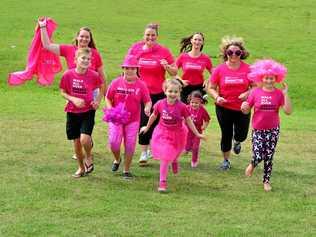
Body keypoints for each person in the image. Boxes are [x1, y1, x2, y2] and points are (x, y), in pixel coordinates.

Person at [38, 17, 106, 167]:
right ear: (77, 37)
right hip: (73, 90)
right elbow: (47, 45)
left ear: (90, 39)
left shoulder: (94, 53)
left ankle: (86, 143)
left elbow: (102, 77)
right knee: (75, 119)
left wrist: (100, 99)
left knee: (86, 119)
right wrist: (43, 27)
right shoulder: (68, 49)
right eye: (81, 36)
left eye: (87, 37)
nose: (84, 39)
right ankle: (81, 145)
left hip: (90, 91)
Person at [140, 79, 205, 192]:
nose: (173, 94)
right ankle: (162, 182)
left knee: (175, 151)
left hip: (178, 133)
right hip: (162, 132)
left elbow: (188, 120)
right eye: (170, 91)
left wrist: (197, 133)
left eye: (175, 92)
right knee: (165, 156)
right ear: (165, 91)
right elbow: (153, 116)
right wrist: (147, 127)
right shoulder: (160, 104)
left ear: (179, 92)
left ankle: (174, 160)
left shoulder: (182, 107)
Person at [127, 23, 177, 165]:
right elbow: (126, 66)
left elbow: (174, 72)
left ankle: (151, 147)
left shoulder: (163, 51)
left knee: (155, 123)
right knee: (143, 120)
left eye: (153, 35)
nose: (150, 37)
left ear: (157, 36)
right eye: (147, 35)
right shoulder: (136, 48)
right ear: (144, 35)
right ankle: (144, 152)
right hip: (140, 92)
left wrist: (167, 67)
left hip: (158, 93)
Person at [241, 59, 292, 192]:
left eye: (272, 78)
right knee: (258, 154)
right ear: (261, 78)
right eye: (267, 78)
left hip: (273, 129)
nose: (269, 81)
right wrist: (244, 107)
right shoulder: (255, 92)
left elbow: (288, 111)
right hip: (258, 129)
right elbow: (246, 110)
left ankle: (266, 181)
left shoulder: (279, 94)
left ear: (276, 78)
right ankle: (253, 164)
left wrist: (285, 94)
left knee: (269, 156)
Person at [208, 35, 253, 170]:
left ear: (241, 54)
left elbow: (256, 86)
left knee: (242, 134)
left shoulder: (248, 69)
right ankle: (226, 160)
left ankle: (238, 141)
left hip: (243, 108)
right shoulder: (219, 70)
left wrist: (247, 93)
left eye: (237, 52)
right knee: (226, 134)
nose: (233, 55)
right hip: (224, 107)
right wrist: (217, 97)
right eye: (230, 52)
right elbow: (211, 87)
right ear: (225, 53)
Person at [59, 48, 104, 178]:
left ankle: (88, 156)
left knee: (85, 138)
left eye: (88, 59)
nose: (85, 61)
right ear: (76, 60)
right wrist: (73, 99)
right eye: (83, 58)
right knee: (77, 142)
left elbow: (101, 87)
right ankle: (80, 167)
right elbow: (63, 92)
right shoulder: (68, 75)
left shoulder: (94, 75)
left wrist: (97, 101)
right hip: (72, 112)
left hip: (87, 111)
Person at [104, 55, 152, 179]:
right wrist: (110, 109)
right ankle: (117, 159)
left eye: (132, 68)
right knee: (114, 142)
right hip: (116, 118)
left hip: (133, 120)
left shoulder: (141, 85)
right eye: (127, 68)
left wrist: (147, 107)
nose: (130, 70)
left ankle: (126, 170)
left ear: (136, 69)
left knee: (130, 144)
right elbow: (108, 98)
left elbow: (147, 101)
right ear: (123, 68)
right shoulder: (116, 82)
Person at [176, 32, 212, 103]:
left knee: (197, 111)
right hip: (185, 87)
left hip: (199, 88)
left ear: (202, 43)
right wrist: (181, 81)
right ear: (191, 41)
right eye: (195, 39)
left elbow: (214, 73)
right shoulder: (183, 56)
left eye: (199, 40)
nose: (197, 42)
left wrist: (208, 80)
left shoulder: (205, 58)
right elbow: (173, 72)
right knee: (184, 110)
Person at [184, 90, 211, 168]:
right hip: (187, 132)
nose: (194, 104)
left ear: (200, 102)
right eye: (192, 102)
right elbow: (181, 117)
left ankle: (194, 160)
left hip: (197, 132)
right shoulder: (186, 108)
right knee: (187, 148)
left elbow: (207, 120)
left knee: (195, 147)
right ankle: (188, 148)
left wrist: (204, 126)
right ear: (189, 101)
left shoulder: (202, 110)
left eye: (196, 103)